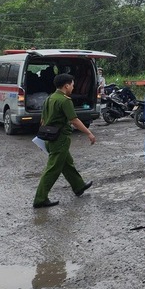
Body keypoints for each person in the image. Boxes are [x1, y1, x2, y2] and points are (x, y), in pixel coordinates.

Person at [33, 73, 96, 208]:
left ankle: (79, 186)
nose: (73, 88)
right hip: (60, 138)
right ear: (66, 86)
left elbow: (43, 120)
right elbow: (74, 120)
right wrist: (89, 133)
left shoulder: (49, 98)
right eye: (72, 85)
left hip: (50, 137)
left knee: (67, 164)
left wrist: (42, 138)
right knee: (53, 169)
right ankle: (40, 198)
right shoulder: (65, 100)